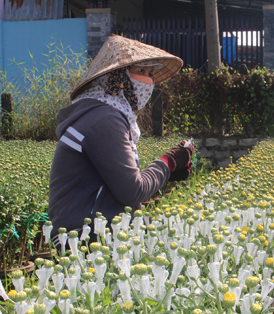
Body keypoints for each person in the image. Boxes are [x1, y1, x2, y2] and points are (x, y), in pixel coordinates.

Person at [48, 35, 194, 240]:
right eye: (140, 71)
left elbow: (121, 185)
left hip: (95, 228)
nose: (148, 80)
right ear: (116, 77)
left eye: (150, 73)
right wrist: (169, 162)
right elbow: (132, 191)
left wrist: (168, 174)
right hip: (83, 235)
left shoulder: (103, 113)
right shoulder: (103, 119)